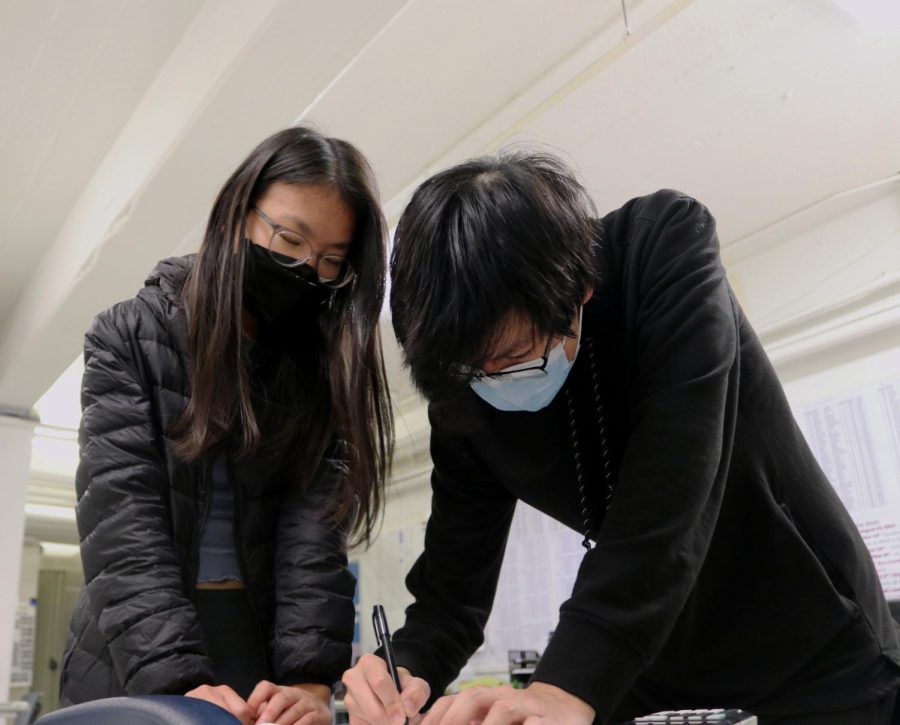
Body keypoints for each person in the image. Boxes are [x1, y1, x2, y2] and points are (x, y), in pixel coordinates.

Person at [341, 150, 900, 725]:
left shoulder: (660, 247)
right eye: (469, 369)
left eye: (512, 357)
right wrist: (402, 670)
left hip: (807, 626)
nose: (490, 383)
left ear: (580, 286)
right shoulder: (466, 390)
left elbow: (671, 484)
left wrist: (562, 688)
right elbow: (452, 589)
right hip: (648, 653)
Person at [60, 126, 393, 725]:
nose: (303, 269)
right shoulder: (129, 336)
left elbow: (312, 539)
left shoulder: (313, 370)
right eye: (289, 239)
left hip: (256, 645)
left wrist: (311, 683)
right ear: (238, 212)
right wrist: (175, 679)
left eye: (330, 262)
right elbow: (122, 523)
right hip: (135, 646)